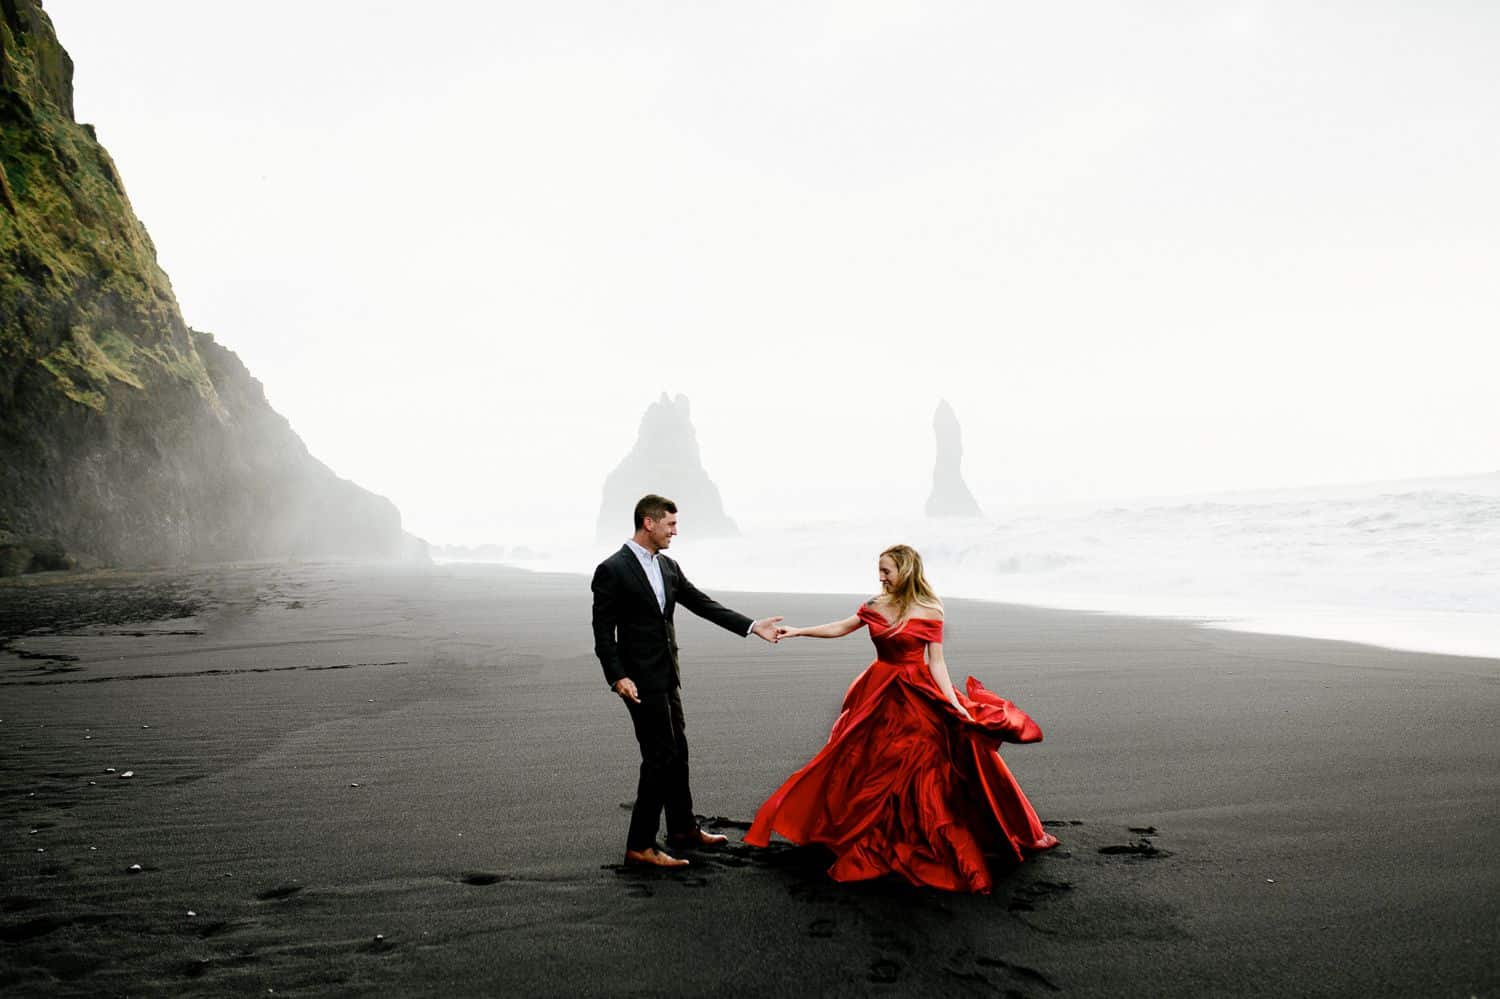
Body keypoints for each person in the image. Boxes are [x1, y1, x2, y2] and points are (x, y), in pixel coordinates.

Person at [744, 544, 1058, 893]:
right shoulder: (874, 605)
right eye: (878, 570)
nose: (880, 577)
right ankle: (863, 829)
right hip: (878, 692)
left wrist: (954, 702)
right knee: (867, 763)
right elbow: (841, 627)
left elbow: (936, 662)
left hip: (917, 692)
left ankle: (922, 834)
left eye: (886, 571)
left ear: (906, 571)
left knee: (924, 765)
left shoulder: (931, 609)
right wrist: (799, 631)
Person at [593, 493, 784, 868]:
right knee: (659, 757)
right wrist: (618, 677)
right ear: (648, 523)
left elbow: (703, 604)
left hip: (668, 676)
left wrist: (751, 626)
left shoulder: (669, 567)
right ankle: (640, 844)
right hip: (637, 681)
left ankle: (682, 828)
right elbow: (603, 633)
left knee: (678, 751)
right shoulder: (612, 569)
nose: (674, 532)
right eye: (670, 525)